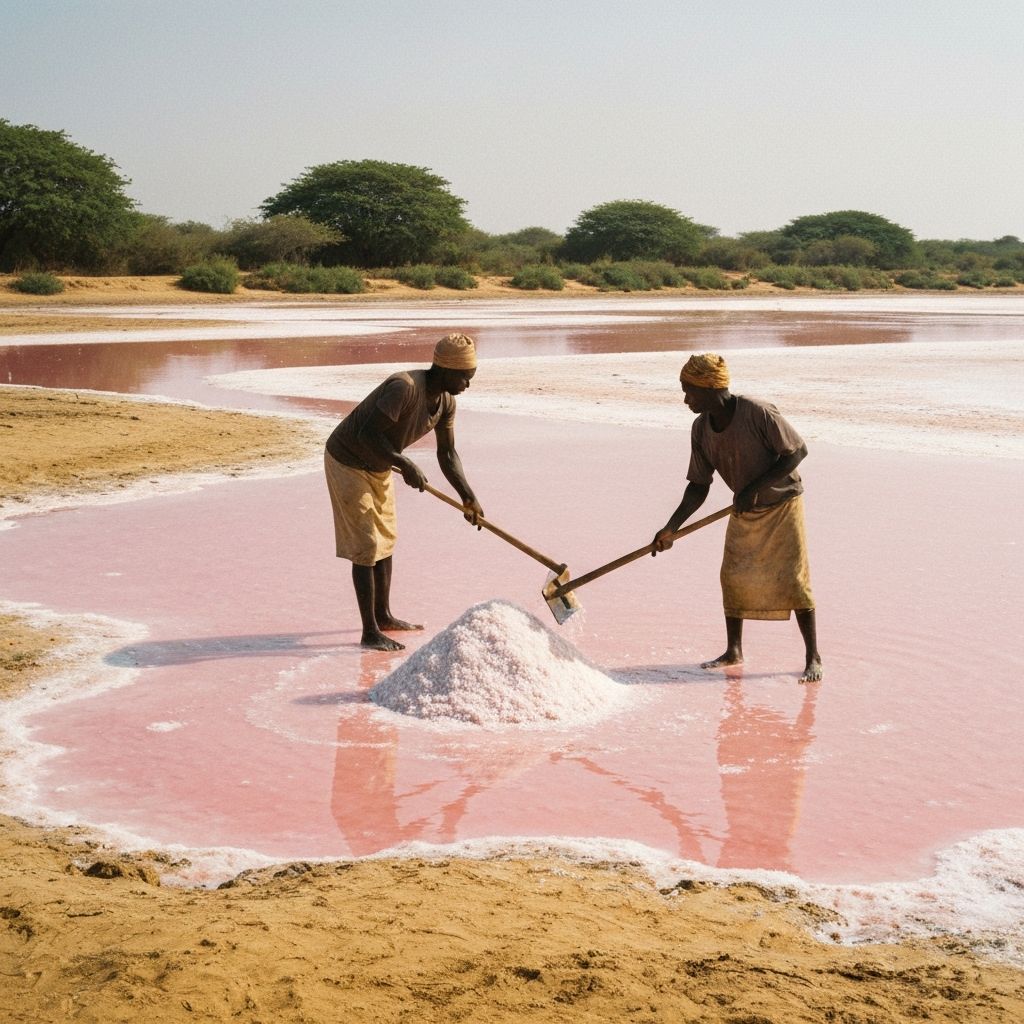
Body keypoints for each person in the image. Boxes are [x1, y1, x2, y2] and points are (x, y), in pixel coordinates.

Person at [652, 353, 822, 683]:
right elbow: (698, 486)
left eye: (690, 392)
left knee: (793, 579)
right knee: (733, 576)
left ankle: (813, 656)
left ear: (712, 388)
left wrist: (755, 488)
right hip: (744, 508)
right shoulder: (701, 428)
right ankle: (734, 650)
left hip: (782, 505)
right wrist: (671, 528)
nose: (686, 400)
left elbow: (797, 452)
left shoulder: (757, 412)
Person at [324, 333, 483, 651]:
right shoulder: (405, 387)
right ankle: (369, 632)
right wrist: (403, 463)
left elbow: (447, 454)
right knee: (366, 544)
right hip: (348, 460)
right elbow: (366, 433)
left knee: (386, 539)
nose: (467, 384)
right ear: (446, 369)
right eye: (464, 377)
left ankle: (384, 616)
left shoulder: (446, 402)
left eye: (471, 377)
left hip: (379, 465)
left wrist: (468, 496)